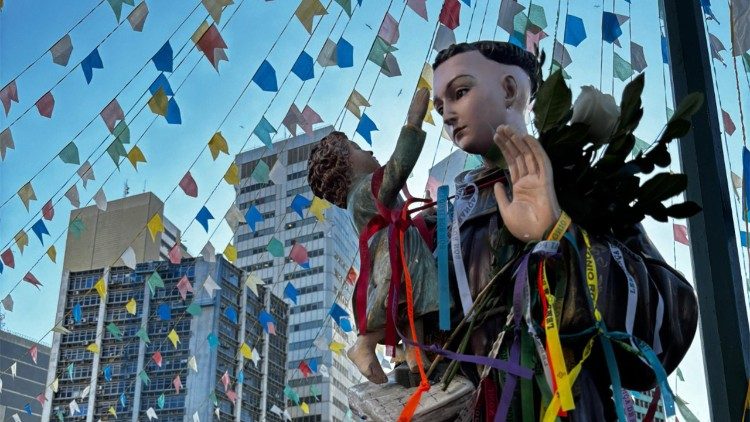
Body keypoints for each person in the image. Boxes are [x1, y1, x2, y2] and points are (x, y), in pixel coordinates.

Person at [431, 41, 699, 420]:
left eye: (460, 93)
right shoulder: (452, 217)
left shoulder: (583, 186)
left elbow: (670, 324)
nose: (447, 115)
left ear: (510, 90)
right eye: (440, 107)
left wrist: (560, 234)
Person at [307, 88, 440, 385]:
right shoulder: (364, 191)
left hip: (399, 254)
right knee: (407, 300)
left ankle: (412, 356)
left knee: (409, 305)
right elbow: (397, 169)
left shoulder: (363, 198)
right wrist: (412, 122)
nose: (368, 151)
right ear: (344, 165)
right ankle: (365, 347)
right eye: (356, 148)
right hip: (396, 260)